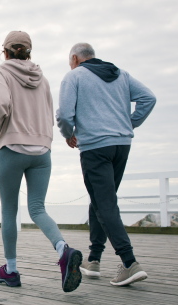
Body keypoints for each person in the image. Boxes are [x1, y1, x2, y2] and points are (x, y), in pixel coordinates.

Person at [0, 31, 83, 293]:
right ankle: (63, 249)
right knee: (37, 208)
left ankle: (11, 271)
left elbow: (1, 104)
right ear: (29, 52)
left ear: (4, 51)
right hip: (42, 151)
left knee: (9, 209)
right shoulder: (43, 79)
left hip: (12, 148)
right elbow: (49, 113)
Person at [56, 42, 156, 286]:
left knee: (105, 203)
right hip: (121, 145)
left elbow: (64, 115)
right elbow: (149, 98)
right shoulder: (121, 74)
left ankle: (130, 262)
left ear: (75, 58)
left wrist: (68, 134)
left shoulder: (74, 76)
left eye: (70, 61)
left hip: (95, 147)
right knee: (101, 200)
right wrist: (128, 124)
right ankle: (94, 259)